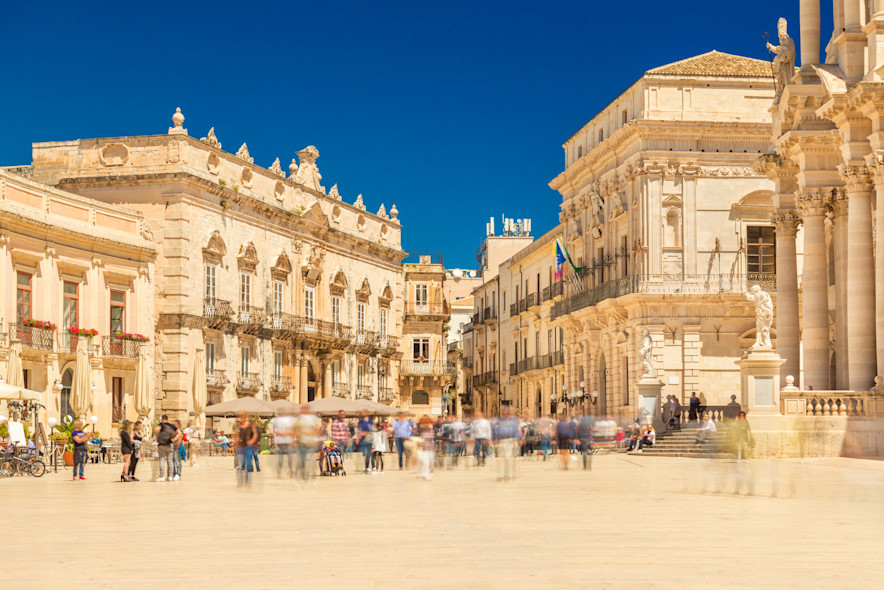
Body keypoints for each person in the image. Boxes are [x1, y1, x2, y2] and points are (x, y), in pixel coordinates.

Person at [295, 404, 321, 480]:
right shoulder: (298, 418)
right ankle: (303, 471)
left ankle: (307, 472)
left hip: (310, 442)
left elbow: (316, 429)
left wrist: (316, 438)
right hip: (301, 442)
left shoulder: (312, 418)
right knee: (302, 459)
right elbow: (295, 429)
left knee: (310, 458)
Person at [495, 405, 520, 481]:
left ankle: (509, 474)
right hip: (502, 440)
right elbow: (497, 430)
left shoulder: (513, 421)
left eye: (504, 411)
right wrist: (496, 438)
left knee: (508, 458)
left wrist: (516, 440)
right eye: (502, 411)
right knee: (501, 458)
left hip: (510, 440)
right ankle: (502, 474)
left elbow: (515, 431)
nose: (503, 412)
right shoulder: (500, 421)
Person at [235, 412, 259, 486]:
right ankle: (240, 481)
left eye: (242, 415)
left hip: (248, 446)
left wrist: (251, 441)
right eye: (239, 416)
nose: (240, 417)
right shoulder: (237, 424)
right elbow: (235, 434)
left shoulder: (250, 424)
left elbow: (255, 433)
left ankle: (248, 481)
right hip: (240, 446)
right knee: (241, 464)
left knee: (249, 464)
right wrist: (235, 442)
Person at [271, 409, 296, 478]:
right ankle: (279, 473)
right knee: (280, 459)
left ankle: (290, 472)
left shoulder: (290, 420)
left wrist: (283, 434)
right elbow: (275, 431)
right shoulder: (276, 421)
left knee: (289, 459)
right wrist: (285, 434)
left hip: (288, 441)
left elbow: (293, 431)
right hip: (281, 442)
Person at [154, 415, 178, 482]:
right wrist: (173, 438)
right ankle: (170, 476)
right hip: (170, 444)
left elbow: (156, 430)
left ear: (162, 419)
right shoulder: (171, 426)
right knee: (170, 461)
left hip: (161, 445)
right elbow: (179, 432)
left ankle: (162, 477)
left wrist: (157, 435)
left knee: (162, 460)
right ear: (167, 419)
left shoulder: (161, 424)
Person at [417, 415, 435, 481]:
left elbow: (432, 436)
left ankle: (425, 473)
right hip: (422, 449)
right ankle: (425, 474)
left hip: (430, 448)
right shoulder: (420, 430)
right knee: (425, 462)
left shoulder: (431, 429)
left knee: (430, 462)